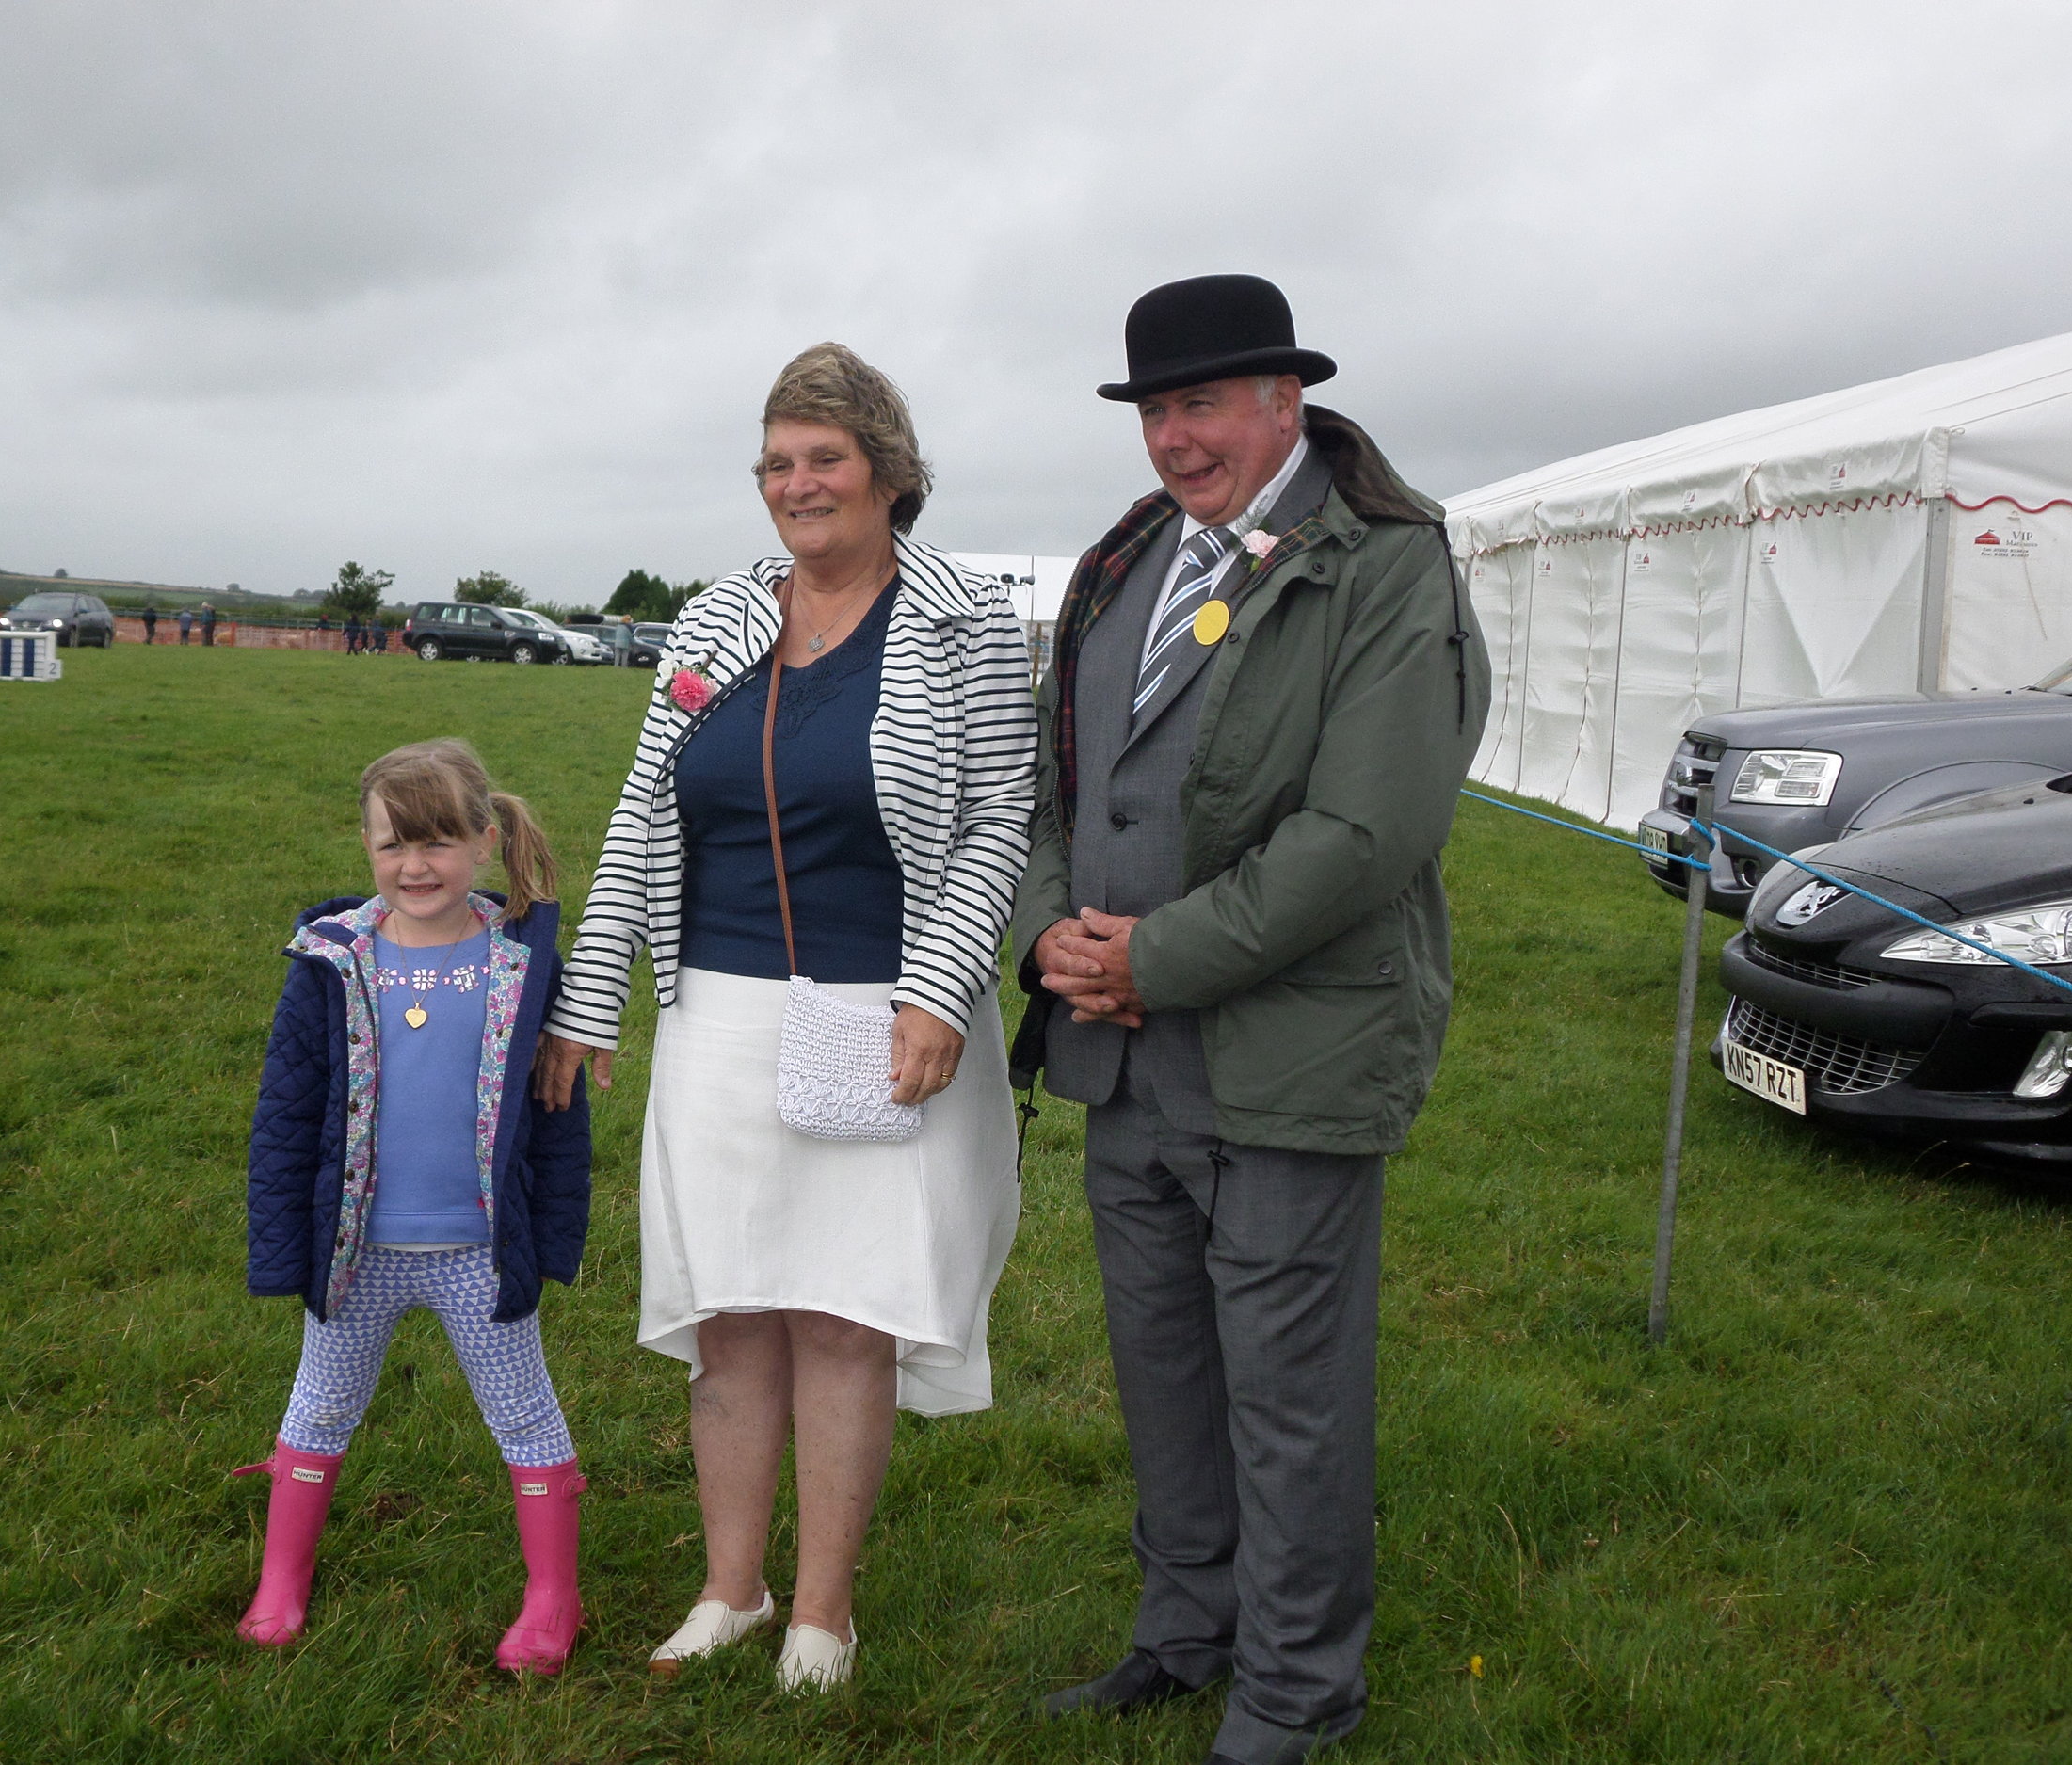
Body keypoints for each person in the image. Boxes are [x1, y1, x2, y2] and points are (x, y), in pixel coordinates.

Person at [1010, 276, 1487, 1765]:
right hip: (1123, 1057)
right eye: (1155, 408)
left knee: (1289, 1397)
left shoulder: (1388, 564)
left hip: (1290, 1057)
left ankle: (1295, 1691)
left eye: (1202, 402)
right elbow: (1055, 792)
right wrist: (1049, 938)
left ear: (1286, 398)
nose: (1174, 436)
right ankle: (1183, 1633)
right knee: (1164, 1373)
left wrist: (1155, 954)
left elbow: (1365, 832)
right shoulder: (1128, 560)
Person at [535, 343, 1036, 1693]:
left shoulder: (966, 616)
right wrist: (587, 1003)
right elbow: (646, 810)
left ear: (888, 470)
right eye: (775, 461)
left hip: (889, 1014)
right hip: (722, 1013)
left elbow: (1002, 815)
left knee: (845, 1312)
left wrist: (941, 983)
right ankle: (732, 1588)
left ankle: (825, 1610)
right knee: (735, 1309)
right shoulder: (714, 619)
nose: (795, 484)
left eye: (823, 457)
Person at [237, 738, 593, 1671]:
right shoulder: (329, 960)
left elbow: (558, 1124)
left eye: (437, 843)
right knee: (316, 1407)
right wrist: (285, 1249)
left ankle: (553, 1599)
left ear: (483, 840)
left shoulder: (520, 965)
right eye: (393, 845)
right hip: (355, 1253)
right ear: (365, 846)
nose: (414, 866)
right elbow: (283, 1112)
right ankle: (280, 1581)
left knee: (524, 1412)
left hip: (480, 1251)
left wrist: (547, 1238)